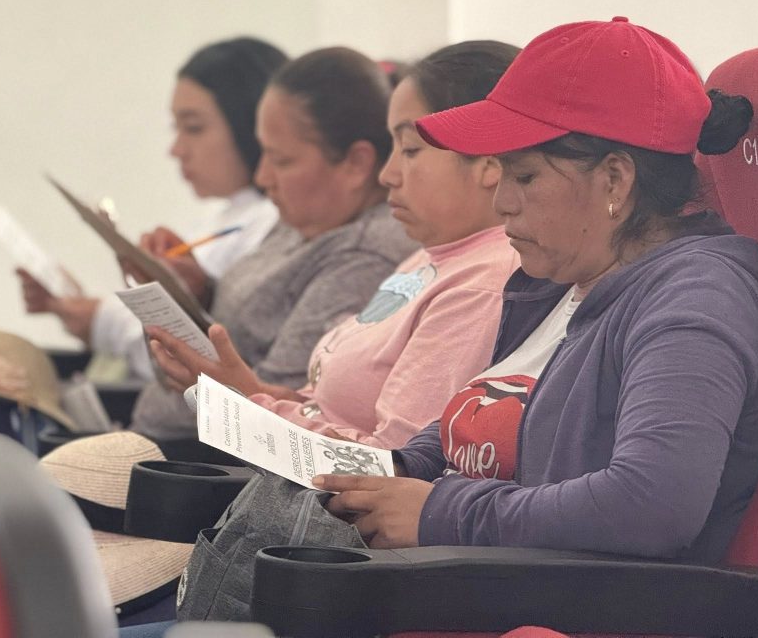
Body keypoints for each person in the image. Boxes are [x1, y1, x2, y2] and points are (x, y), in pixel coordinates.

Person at [314, 17, 758, 566]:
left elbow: (651, 506)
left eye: (525, 177)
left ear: (615, 180)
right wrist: (403, 467)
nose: (501, 204)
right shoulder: (564, 278)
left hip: (581, 601)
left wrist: (441, 511)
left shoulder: (697, 298)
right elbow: (503, 406)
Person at [147, 41, 522, 449]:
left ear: (488, 162)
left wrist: (246, 402)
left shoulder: (479, 284)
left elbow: (391, 465)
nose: (388, 174)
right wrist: (250, 392)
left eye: (410, 149)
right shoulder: (430, 257)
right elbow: (322, 409)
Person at [130, 46, 418, 450]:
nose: (263, 177)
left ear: (355, 163)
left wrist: (217, 384)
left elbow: (276, 409)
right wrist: (197, 289)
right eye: (263, 152)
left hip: (206, 459)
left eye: (281, 160)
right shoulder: (306, 218)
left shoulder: (363, 257)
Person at [16, 37, 286, 385]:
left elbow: (197, 352)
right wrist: (75, 306)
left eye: (193, 128)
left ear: (251, 126)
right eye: (176, 128)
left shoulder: (269, 225)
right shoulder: (221, 218)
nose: (176, 149)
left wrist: (97, 318)